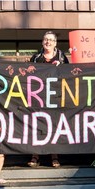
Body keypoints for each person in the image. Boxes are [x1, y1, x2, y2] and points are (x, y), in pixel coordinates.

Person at [28, 31, 69, 168]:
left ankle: (54, 156)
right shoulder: (36, 57)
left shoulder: (62, 57)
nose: (48, 42)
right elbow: (29, 75)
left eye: (51, 40)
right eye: (46, 39)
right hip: (38, 97)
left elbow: (70, 74)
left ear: (55, 43)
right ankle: (35, 155)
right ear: (42, 42)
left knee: (54, 126)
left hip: (55, 97)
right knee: (37, 125)